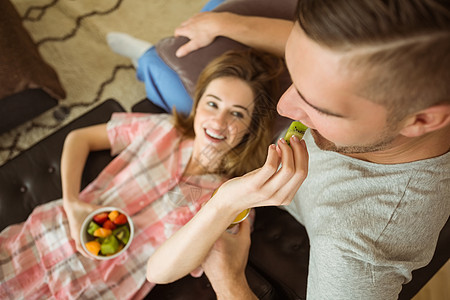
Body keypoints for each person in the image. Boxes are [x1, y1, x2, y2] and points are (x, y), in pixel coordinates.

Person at [145, 0, 450, 299]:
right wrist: (229, 24)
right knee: (185, 38)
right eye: (295, 75)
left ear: (422, 119)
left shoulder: (359, 251)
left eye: (320, 107)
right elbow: (332, 55)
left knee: (153, 64)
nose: (284, 106)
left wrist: (229, 280)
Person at [0, 49, 285, 299]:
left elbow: (179, 267)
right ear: (197, 104)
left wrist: (221, 206)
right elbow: (79, 138)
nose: (218, 122)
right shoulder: (159, 129)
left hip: (96, 289)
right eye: (212, 104)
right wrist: (72, 202)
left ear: (251, 127)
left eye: (236, 114)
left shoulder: (231, 199)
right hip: (43, 240)